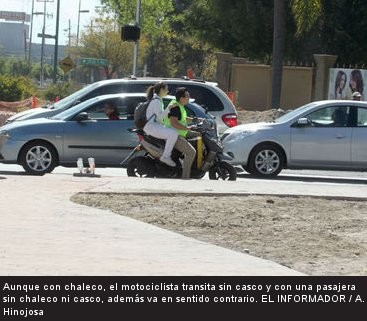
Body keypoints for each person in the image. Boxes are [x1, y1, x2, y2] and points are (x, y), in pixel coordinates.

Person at [164, 87, 199, 179]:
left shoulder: (180, 106)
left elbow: (182, 118)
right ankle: (185, 177)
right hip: (174, 135)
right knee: (191, 152)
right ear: (181, 98)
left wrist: (195, 120)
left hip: (178, 135)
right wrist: (187, 128)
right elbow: (174, 123)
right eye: (187, 96)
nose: (189, 97)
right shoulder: (175, 107)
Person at [143, 82, 178, 167]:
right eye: (166, 89)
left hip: (154, 126)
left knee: (173, 131)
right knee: (173, 133)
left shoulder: (158, 100)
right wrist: (169, 108)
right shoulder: (156, 101)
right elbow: (160, 116)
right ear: (161, 90)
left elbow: (159, 118)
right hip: (151, 127)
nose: (168, 91)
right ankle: (165, 156)